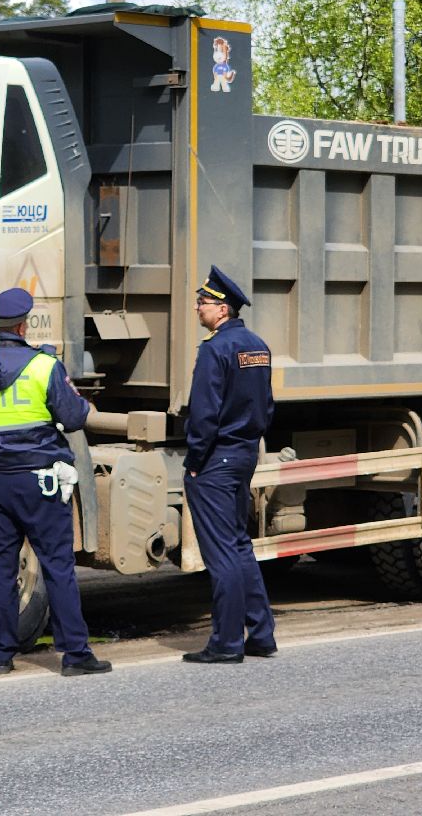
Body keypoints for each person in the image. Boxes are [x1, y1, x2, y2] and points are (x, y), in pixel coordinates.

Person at [0, 287, 112, 677]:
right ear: (23, 326)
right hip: (40, 481)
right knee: (57, 565)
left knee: (0, 569)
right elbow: (73, 417)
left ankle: (1, 656)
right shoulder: (43, 366)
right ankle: (75, 655)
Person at [181, 265, 278, 663]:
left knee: (222, 553)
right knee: (238, 545)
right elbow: (266, 406)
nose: (197, 308)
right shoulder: (257, 346)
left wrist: (194, 460)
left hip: (215, 459)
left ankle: (226, 643)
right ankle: (261, 634)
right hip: (243, 453)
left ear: (222, 309)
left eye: (202, 302)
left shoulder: (215, 349)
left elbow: (204, 413)